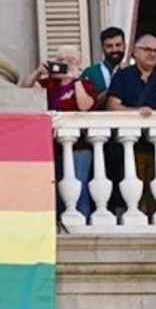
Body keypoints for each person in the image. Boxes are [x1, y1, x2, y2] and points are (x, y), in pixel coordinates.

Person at [21, 45, 98, 219]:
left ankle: (81, 225)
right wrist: (37, 73)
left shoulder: (85, 83)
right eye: (61, 60)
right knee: (58, 190)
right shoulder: (50, 83)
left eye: (70, 60)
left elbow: (84, 106)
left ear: (79, 62)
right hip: (52, 147)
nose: (65, 63)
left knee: (79, 188)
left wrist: (75, 79)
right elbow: (24, 91)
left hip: (79, 146)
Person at [107, 34, 156, 215]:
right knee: (133, 193)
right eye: (147, 50)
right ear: (136, 52)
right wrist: (136, 112)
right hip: (130, 146)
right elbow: (112, 105)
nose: (152, 54)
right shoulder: (123, 76)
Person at [81, 27, 127, 108]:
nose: (114, 49)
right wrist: (114, 86)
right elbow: (87, 107)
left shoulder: (132, 71)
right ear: (102, 48)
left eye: (118, 45)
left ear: (125, 46)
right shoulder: (90, 73)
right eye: (109, 46)